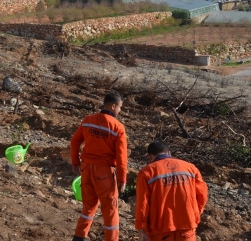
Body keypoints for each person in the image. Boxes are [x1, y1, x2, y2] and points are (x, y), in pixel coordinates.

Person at [69, 92, 128, 241]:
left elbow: (74, 142)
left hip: (86, 169)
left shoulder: (88, 120)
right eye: (120, 107)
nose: (120, 111)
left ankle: (80, 236)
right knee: (110, 210)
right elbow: (122, 157)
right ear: (113, 106)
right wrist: (122, 179)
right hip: (104, 173)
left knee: (88, 206)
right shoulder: (117, 127)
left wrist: (75, 162)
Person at [135, 141, 208, 241]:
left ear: (150, 157)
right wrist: (194, 213)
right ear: (169, 153)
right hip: (186, 225)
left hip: (160, 229)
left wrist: (141, 228)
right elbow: (202, 195)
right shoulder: (190, 168)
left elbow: (142, 204)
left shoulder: (146, 173)